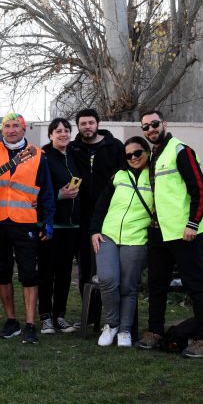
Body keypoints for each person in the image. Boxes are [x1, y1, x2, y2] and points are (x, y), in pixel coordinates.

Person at [135, 110, 203, 358]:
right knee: (157, 285)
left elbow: (200, 190)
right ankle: (155, 331)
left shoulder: (181, 150)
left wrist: (193, 223)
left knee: (195, 286)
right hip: (160, 232)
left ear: (165, 124)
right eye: (146, 127)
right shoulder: (154, 156)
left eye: (154, 124)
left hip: (185, 233)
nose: (151, 130)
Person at [0, 112, 55, 344]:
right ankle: (11, 320)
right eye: (7, 126)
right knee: (3, 272)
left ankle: (30, 324)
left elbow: (47, 192)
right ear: (2, 129)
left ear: (24, 130)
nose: (12, 130)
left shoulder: (38, 155)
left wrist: (48, 221)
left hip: (25, 222)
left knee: (28, 274)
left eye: (16, 126)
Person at [90, 136, 153, 348]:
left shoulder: (155, 177)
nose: (133, 158)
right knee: (108, 280)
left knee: (128, 286)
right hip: (108, 236)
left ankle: (125, 330)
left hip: (136, 238)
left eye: (137, 153)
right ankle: (111, 325)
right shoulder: (119, 175)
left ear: (147, 152)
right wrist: (94, 231)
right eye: (129, 155)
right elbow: (101, 204)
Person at [69, 109, 124, 314]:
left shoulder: (115, 146)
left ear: (98, 123)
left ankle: (111, 316)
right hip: (82, 215)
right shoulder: (73, 148)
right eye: (83, 123)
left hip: (110, 215)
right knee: (85, 268)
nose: (87, 127)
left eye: (91, 122)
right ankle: (89, 317)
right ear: (78, 126)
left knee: (108, 268)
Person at [38, 118, 80, 334]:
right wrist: (59, 194)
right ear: (51, 135)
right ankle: (45, 317)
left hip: (71, 227)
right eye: (58, 131)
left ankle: (59, 316)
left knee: (64, 273)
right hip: (51, 225)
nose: (63, 134)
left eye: (66, 130)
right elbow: (36, 194)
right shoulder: (43, 158)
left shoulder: (74, 156)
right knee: (46, 272)